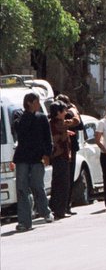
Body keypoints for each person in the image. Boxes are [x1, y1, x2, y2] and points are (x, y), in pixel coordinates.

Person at [12, 92, 53, 232]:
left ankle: (45, 211)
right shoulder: (20, 117)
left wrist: (48, 154)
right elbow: (19, 129)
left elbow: (48, 138)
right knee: (22, 189)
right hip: (22, 158)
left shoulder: (42, 118)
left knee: (37, 185)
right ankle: (24, 221)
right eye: (36, 102)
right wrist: (28, 114)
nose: (38, 104)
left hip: (37, 158)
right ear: (29, 103)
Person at [47, 102, 73, 220]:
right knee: (63, 184)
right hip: (60, 156)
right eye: (64, 111)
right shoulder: (59, 124)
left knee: (57, 183)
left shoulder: (50, 123)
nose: (66, 113)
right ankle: (60, 210)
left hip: (57, 156)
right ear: (58, 112)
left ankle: (56, 208)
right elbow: (60, 138)